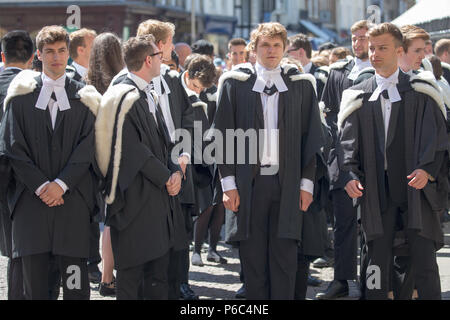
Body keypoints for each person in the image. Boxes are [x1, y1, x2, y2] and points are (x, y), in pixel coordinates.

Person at [214, 22, 325, 300]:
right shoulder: (234, 85)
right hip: (247, 184)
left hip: (288, 184)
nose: (271, 50)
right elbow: (223, 137)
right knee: (252, 261)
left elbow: (310, 140)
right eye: (265, 45)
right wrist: (228, 184)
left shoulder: (300, 86)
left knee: (286, 258)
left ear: (286, 48)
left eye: (277, 45)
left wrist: (306, 184)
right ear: (254, 49)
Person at [338, 22, 448, 300]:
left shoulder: (421, 91)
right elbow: (346, 143)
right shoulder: (358, 94)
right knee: (376, 262)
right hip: (376, 191)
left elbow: (437, 139)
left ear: (399, 51)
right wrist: (349, 174)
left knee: (424, 263)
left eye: (382, 48)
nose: (374, 53)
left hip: (416, 190)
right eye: (372, 48)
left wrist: (428, 170)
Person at [0, 25, 101, 300]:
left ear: (68, 53)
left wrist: (61, 184)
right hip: (31, 208)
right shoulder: (19, 100)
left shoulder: (85, 98)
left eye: (61, 51)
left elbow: (89, 148)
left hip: (72, 207)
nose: (56, 57)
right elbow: (12, 148)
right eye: (49, 52)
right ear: (38, 56)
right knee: (35, 290)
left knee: (74, 288)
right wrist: (44, 185)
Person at [96, 34, 184, 300]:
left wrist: (176, 172)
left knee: (157, 276)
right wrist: (167, 177)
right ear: (148, 60)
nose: (163, 60)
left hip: (156, 199)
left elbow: (163, 141)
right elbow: (134, 151)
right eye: (159, 55)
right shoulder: (125, 96)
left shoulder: (147, 92)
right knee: (132, 278)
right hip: (135, 201)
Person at [136, 19, 194, 301]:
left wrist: (184, 155)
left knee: (180, 232)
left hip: (178, 166)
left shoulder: (173, 79)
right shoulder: (132, 83)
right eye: (170, 43)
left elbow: (186, 118)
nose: (173, 48)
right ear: (160, 46)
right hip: (151, 172)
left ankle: (180, 284)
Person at [316, 20, 373, 300]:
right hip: (343, 160)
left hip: (375, 160)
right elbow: (327, 116)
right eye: (354, 37)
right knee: (344, 224)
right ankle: (341, 280)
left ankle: (371, 281)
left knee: (374, 225)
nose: (358, 42)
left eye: (363, 37)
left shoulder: (383, 70)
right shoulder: (338, 73)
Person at [85, 32, 125, 297]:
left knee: (103, 220)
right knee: (116, 219)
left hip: (91, 162)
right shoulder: (120, 86)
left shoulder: (86, 84)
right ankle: (111, 276)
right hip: (116, 160)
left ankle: (104, 274)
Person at [0, 30, 34, 300]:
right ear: (33, 57)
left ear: (2, 56)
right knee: (22, 251)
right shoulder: (38, 86)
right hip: (27, 179)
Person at [287, 33, 326, 99]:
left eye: (288, 51)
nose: (286, 55)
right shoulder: (287, 74)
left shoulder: (321, 76)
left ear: (301, 52)